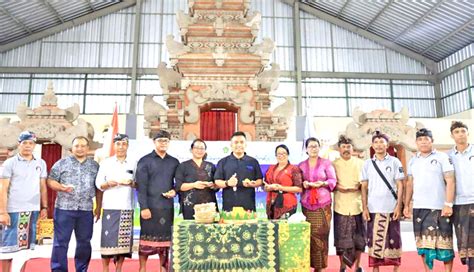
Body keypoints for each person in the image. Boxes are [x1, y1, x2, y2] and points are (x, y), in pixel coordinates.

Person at [47, 136, 102, 272]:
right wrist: (61, 187)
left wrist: (99, 207)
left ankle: (82, 269)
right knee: (60, 243)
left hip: (85, 210)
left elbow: (98, 188)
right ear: (72, 148)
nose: (80, 148)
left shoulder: (94, 166)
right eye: (77, 146)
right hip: (64, 209)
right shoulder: (62, 163)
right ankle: (59, 269)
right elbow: (50, 180)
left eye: (83, 146)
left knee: (84, 242)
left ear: (88, 149)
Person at [404, 128, 455, 272]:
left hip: (440, 207)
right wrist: (406, 205)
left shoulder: (442, 157)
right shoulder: (413, 160)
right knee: (423, 245)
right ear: (416, 142)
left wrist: (448, 204)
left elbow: (450, 180)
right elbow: (409, 183)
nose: (423, 142)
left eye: (426, 139)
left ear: (432, 141)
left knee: (445, 243)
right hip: (420, 207)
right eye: (420, 139)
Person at [0, 131, 48, 272]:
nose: (28, 146)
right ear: (19, 144)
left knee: (25, 250)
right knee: (6, 249)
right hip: (12, 211)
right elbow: (3, 188)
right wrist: (2, 212)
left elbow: (43, 187)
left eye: (31, 143)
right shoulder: (10, 163)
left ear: (34, 145)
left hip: (32, 211)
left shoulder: (40, 163)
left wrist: (44, 207)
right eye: (24, 143)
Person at [135, 130, 179, 272]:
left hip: (167, 208)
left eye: (166, 141)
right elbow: (141, 187)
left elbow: (177, 183)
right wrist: (143, 208)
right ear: (154, 142)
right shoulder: (144, 160)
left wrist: (174, 191)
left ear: (169, 143)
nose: (163, 143)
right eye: (160, 140)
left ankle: (163, 269)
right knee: (145, 241)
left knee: (165, 243)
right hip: (150, 207)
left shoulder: (174, 162)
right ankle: (142, 268)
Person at [361, 131, 404, 272]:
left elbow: (400, 185)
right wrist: (365, 207)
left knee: (394, 239)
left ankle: (396, 269)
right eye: (376, 142)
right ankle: (375, 269)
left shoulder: (395, 161)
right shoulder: (367, 164)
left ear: (387, 145)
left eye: (382, 142)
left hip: (391, 208)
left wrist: (399, 206)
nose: (379, 145)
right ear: (372, 145)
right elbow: (364, 187)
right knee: (374, 240)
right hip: (373, 208)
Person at [95, 134, 135, 272]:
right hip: (110, 206)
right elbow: (98, 183)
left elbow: (139, 183)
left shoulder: (133, 163)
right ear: (114, 146)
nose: (121, 147)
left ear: (127, 146)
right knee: (108, 239)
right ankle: (105, 268)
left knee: (123, 241)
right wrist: (107, 184)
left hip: (127, 206)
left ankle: (119, 268)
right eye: (118, 144)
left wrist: (132, 183)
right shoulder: (106, 163)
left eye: (124, 144)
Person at [299, 137, 336, 272]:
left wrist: (323, 183)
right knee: (307, 236)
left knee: (321, 235)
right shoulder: (301, 165)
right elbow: (298, 183)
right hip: (307, 205)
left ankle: (320, 267)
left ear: (319, 148)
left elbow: (333, 180)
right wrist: (303, 184)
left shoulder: (326, 163)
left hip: (322, 205)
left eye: (315, 146)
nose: (313, 149)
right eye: (310, 147)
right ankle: (307, 265)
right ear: (306, 149)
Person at [332, 135, 365, 272]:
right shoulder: (333, 164)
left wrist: (360, 187)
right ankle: (343, 266)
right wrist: (338, 187)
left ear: (353, 149)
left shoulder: (361, 163)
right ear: (339, 149)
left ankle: (358, 266)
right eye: (343, 147)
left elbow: (366, 182)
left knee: (359, 239)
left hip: (358, 205)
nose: (346, 149)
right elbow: (330, 182)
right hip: (341, 205)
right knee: (341, 239)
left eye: (348, 147)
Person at [214, 131, 263, 212]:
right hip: (228, 204)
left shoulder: (253, 161)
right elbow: (217, 181)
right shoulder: (223, 162)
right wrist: (227, 183)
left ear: (245, 144)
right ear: (231, 145)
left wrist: (252, 184)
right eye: (236, 142)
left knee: (249, 224)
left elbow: (260, 180)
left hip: (248, 205)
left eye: (242, 142)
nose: (239, 145)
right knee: (228, 224)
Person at [448, 121, 474, 272]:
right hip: (458, 203)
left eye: (463, 131)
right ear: (452, 135)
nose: (460, 134)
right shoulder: (448, 156)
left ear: (468, 133)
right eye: (457, 132)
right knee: (464, 239)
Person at [175, 139, 217, 220]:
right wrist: (194, 185)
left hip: (208, 206)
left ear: (205, 151)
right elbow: (179, 186)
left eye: (202, 148)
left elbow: (216, 185)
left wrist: (212, 185)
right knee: (191, 230)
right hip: (190, 206)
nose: (199, 150)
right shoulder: (183, 166)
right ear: (191, 150)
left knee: (208, 231)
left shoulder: (211, 166)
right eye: (197, 148)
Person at [264, 144, 302, 219]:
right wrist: (267, 187)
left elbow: (299, 188)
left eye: (284, 153)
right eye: (279, 154)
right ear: (276, 155)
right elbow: (265, 185)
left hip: (287, 204)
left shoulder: (294, 169)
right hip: (271, 203)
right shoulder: (270, 168)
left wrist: (281, 188)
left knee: (284, 229)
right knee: (272, 229)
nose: (281, 155)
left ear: (288, 155)